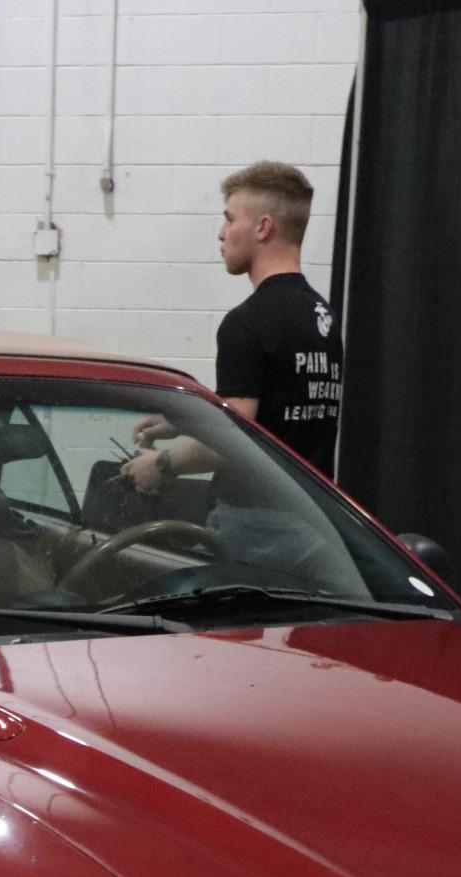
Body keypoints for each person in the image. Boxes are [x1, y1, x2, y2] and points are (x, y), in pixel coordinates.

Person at [121, 160, 342, 572]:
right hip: (315, 519)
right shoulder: (320, 316)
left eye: (228, 219)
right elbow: (279, 415)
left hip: (257, 527)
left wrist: (162, 464)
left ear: (262, 227)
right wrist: (185, 420)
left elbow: (239, 438)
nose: (221, 234)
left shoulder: (247, 321)